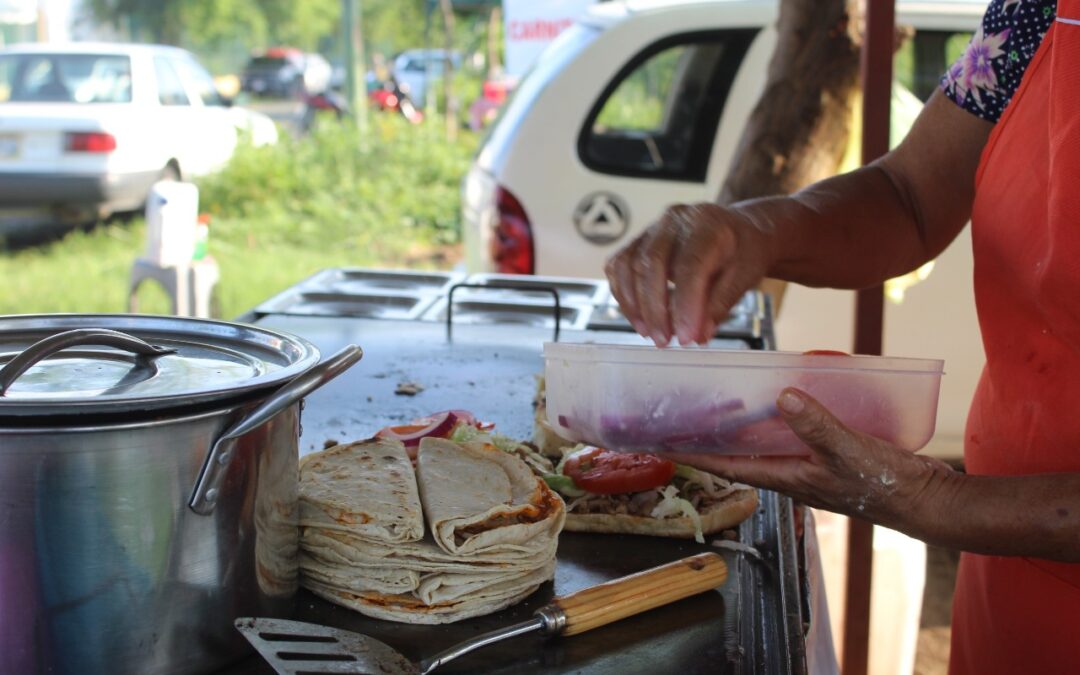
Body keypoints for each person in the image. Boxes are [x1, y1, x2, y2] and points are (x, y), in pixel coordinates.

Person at [604, 1, 1080, 673]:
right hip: (1008, 580)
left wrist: (934, 499)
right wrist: (758, 229)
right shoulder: (1038, 14)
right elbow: (911, 194)